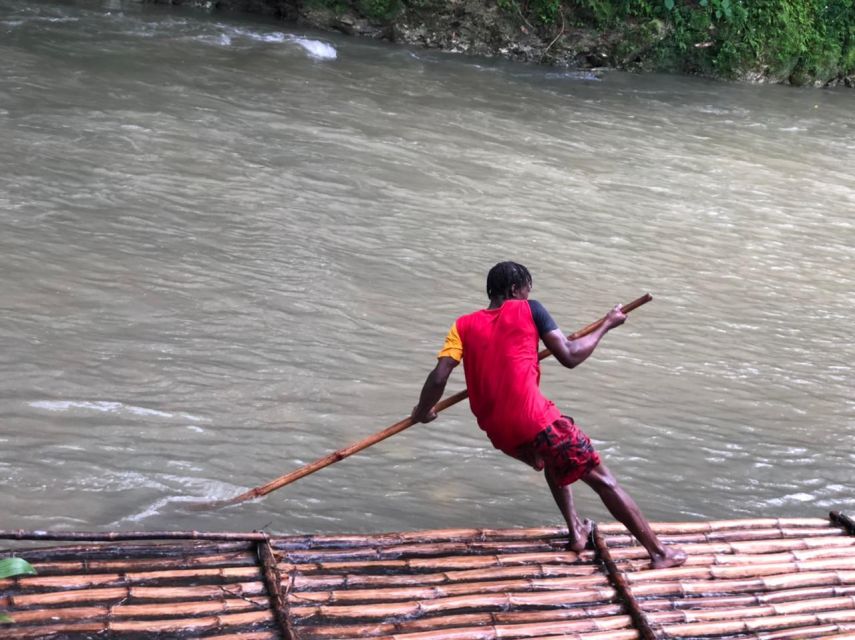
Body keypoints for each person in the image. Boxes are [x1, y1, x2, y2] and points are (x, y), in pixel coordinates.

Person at [411, 261, 686, 569]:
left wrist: (422, 411)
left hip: (500, 433)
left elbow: (439, 377)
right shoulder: (531, 310)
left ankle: (576, 531)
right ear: (515, 290)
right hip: (533, 420)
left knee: (554, 456)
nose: (529, 296)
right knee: (603, 480)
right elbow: (569, 355)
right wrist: (606, 324)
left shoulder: (462, 325)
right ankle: (660, 553)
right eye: (527, 291)